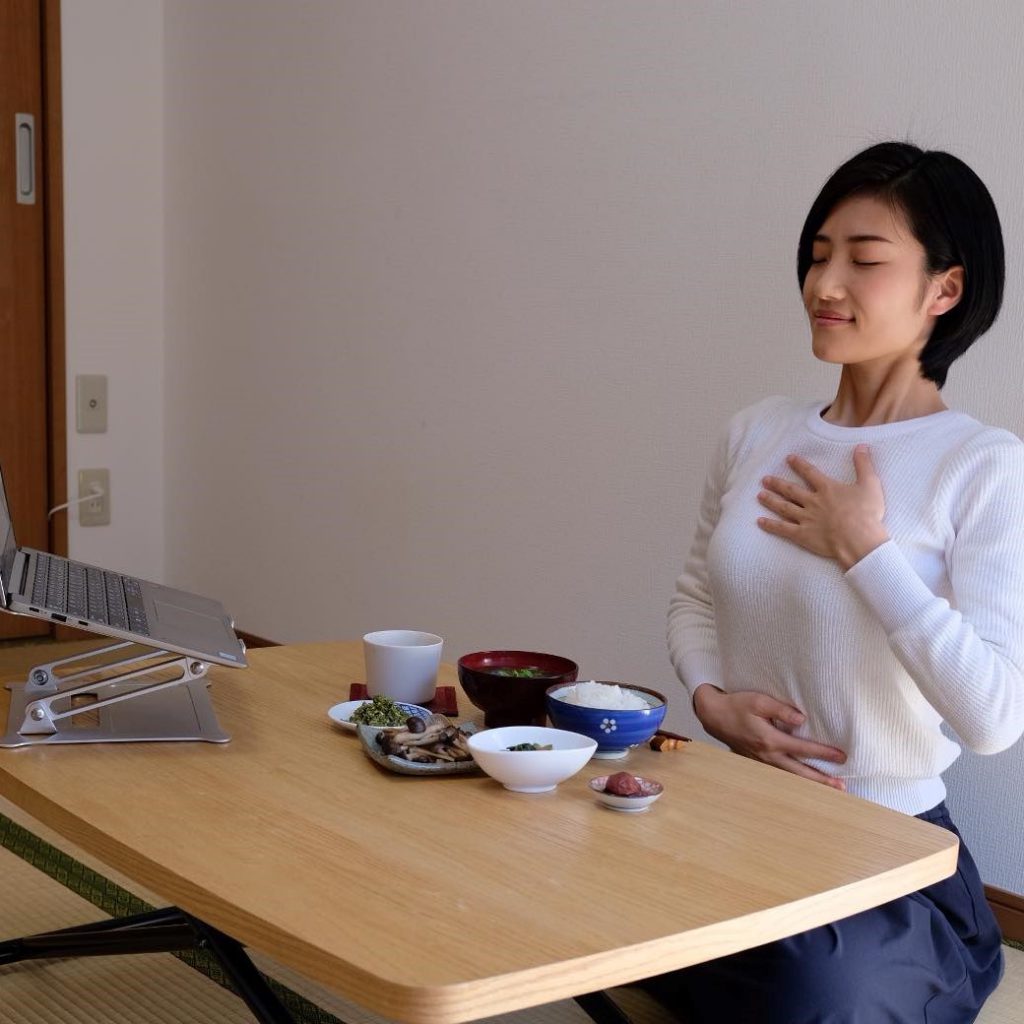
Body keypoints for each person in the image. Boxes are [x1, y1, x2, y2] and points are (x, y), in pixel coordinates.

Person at [659, 141, 1024, 1023]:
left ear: (945, 290)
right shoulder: (758, 431)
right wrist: (710, 701)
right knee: (565, 897)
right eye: (819, 255)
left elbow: (994, 719)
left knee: (810, 990)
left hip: (885, 859)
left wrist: (867, 552)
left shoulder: (983, 466)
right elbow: (695, 597)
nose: (825, 284)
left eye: (864, 261)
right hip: (738, 818)